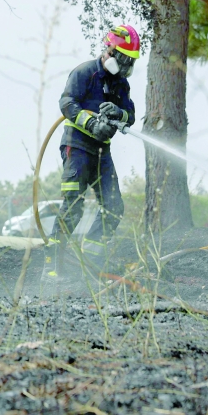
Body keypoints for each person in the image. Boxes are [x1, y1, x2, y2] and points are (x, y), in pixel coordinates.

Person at [51, 25, 140, 273]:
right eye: (122, 59)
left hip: (103, 152)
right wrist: (90, 123)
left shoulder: (121, 85)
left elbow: (130, 115)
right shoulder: (85, 73)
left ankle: (89, 262)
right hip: (77, 147)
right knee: (72, 206)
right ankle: (52, 267)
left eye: (129, 62)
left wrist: (119, 112)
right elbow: (66, 102)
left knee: (113, 208)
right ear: (109, 51)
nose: (124, 66)